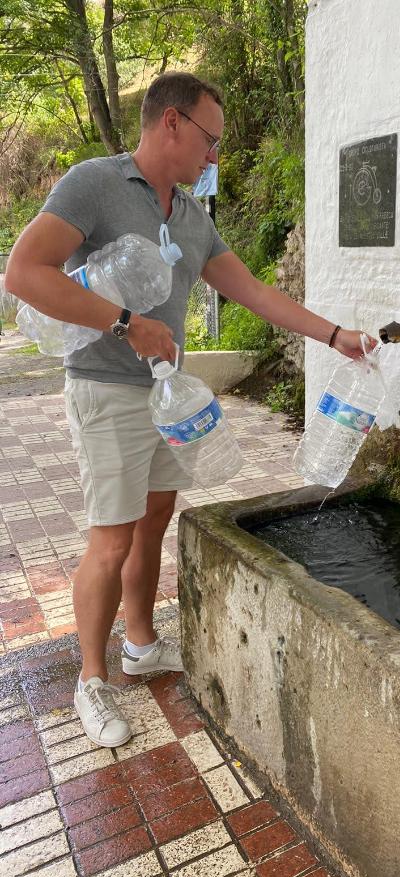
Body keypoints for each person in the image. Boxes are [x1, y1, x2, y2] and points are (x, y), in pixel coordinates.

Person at [6, 72, 376, 748]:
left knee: (153, 522)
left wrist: (335, 336)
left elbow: (256, 292)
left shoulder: (192, 217)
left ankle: (141, 644)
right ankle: (93, 680)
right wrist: (125, 321)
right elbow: (25, 272)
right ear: (171, 122)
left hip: (165, 394)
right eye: (210, 140)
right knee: (110, 537)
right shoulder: (95, 184)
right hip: (107, 387)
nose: (215, 157)